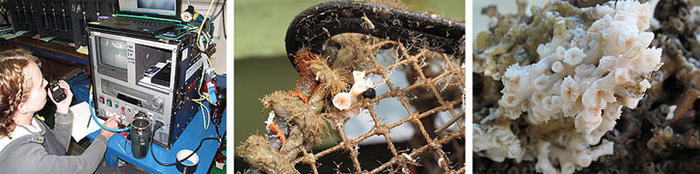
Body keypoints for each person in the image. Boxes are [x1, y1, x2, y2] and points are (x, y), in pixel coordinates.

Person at [0, 48, 137, 173]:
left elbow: (57, 150)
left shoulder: (20, 119)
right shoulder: (26, 162)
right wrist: (105, 135)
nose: (47, 83)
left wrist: (62, 109)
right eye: (40, 84)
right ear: (21, 105)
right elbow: (84, 166)